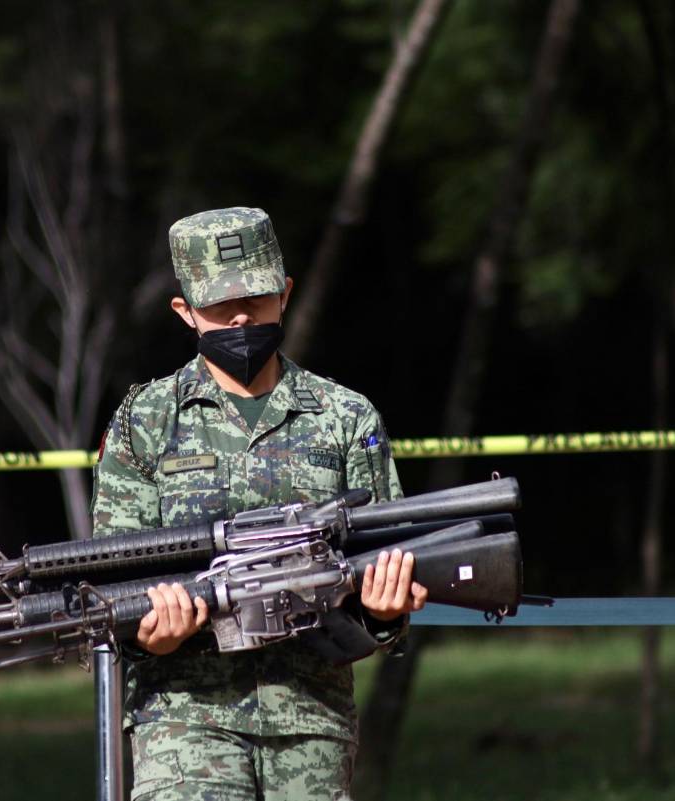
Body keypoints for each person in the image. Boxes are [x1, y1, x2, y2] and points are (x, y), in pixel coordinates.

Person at [91, 207, 428, 800]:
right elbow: (113, 576)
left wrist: (383, 612)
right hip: (183, 720)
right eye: (219, 306)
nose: (241, 315)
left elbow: (387, 568)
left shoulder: (347, 418)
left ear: (285, 293)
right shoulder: (144, 422)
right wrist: (151, 633)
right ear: (185, 311)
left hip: (310, 724)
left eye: (256, 296)